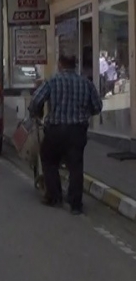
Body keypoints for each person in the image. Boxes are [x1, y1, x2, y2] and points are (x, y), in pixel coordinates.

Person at [28, 54, 103, 215]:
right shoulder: (86, 83)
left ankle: (54, 196)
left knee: (49, 160)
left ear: (60, 64)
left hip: (56, 129)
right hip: (77, 131)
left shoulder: (52, 81)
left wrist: (36, 114)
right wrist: (83, 112)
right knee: (75, 166)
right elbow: (97, 106)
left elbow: (36, 101)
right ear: (75, 65)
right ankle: (76, 204)